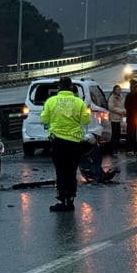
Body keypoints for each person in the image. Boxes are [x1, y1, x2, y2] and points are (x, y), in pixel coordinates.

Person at [40, 76, 91, 212]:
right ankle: (71, 200)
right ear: (71, 87)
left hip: (58, 141)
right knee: (71, 171)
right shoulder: (79, 102)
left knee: (61, 171)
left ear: (58, 88)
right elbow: (85, 120)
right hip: (74, 142)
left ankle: (62, 200)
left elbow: (44, 119)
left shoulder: (51, 101)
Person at [124, 81, 137, 152]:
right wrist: (134, 112)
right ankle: (129, 148)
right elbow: (127, 106)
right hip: (131, 117)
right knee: (130, 133)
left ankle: (134, 148)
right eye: (136, 87)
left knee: (135, 133)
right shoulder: (129, 96)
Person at [107, 84, 126, 153]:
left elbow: (123, 106)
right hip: (114, 118)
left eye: (119, 89)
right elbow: (111, 107)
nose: (119, 91)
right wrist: (121, 111)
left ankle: (116, 149)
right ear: (114, 90)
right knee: (114, 134)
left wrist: (124, 110)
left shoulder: (121, 97)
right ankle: (113, 149)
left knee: (118, 134)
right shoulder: (112, 98)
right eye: (117, 90)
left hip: (119, 119)